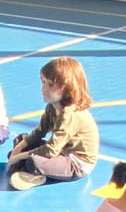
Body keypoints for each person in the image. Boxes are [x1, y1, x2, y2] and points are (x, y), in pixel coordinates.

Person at [6, 57, 98, 189]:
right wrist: (18, 149)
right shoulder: (52, 106)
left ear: (67, 89)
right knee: (21, 139)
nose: (43, 89)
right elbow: (39, 132)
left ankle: (33, 173)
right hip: (61, 152)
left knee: (34, 161)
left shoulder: (69, 115)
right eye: (43, 82)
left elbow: (51, 150)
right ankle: (25, 170)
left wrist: (18, 157)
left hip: (77, 163)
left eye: (50, 85)